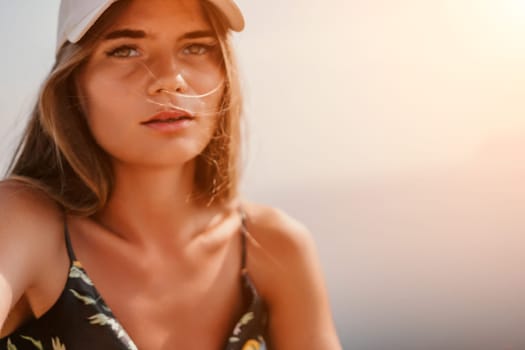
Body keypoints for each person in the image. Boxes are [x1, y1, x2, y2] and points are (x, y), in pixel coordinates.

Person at [0, 0, 342, 349]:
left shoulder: (274, 248)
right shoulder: (25, 224)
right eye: (125, 50)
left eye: (196, 47)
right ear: (74, 82)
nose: (170, 80)